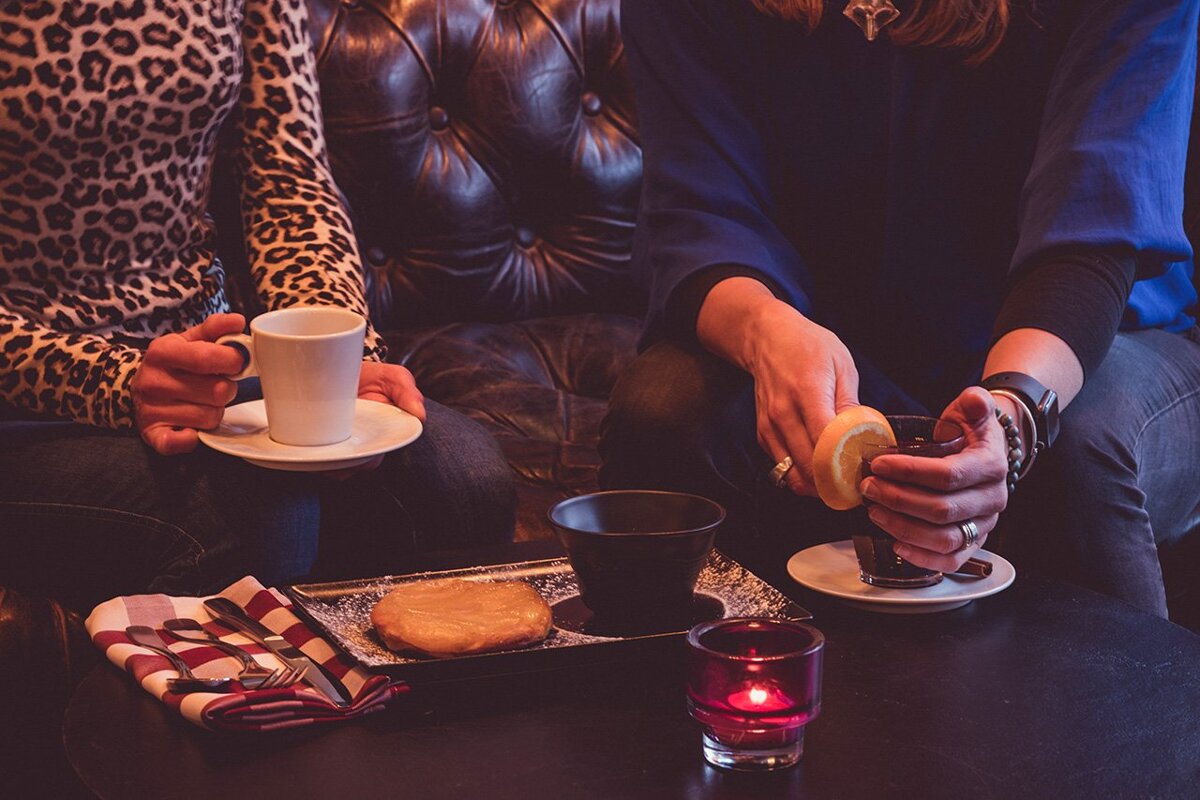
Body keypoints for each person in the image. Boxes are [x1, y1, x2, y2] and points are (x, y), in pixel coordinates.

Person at [599, 0, 1200, 619]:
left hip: (1087, 345)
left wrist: (1012, 418)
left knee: (1071, 443)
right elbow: (701, 215)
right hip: (828, 344)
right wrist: (767, 333)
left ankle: (1114, 712)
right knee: (664, 404)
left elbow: (1090, 235)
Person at [0, 0, 515, 609]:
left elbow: (288, 179)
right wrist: (109, 380)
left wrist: (331, 355)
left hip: (214, 374)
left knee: (465, 480)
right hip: (25, 400)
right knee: (258, 518)